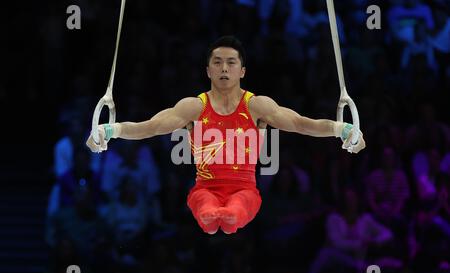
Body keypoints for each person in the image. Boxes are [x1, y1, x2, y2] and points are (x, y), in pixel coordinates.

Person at [86, 36, 366, 235]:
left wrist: (341, 129)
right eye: (217, 62)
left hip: (245, 189)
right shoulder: (194, 107)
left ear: (242, 70)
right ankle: (212, 217)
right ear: (208, 70)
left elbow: (300, 123)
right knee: (207, 209)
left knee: (235, 210)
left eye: (231, 63)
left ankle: (227, 216)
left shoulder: (257, 106)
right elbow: (151, 126)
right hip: (204, 188)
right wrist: (111, 130)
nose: (223, 68)